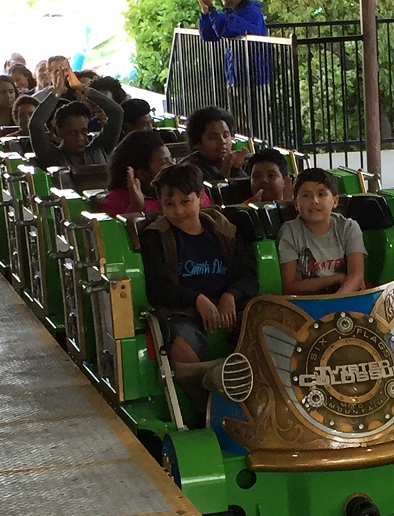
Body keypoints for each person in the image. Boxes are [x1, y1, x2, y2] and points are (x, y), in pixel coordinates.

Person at [140, 162, 258, 394]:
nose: (179, 211)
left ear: (201, 197)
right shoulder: (156, 237)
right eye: (169, 204)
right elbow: (159, 287)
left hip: (230, 309)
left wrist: (231, 295)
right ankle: (208, 403)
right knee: (180, 345)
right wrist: (197, 300)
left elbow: (248, 275)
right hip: (183, 311)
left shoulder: (225, 231)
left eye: (186, 202)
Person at [278, 168, 366, 296]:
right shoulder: (289, 232)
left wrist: (336, 301)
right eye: (306, 195)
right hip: (306, 300)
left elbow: (356, 275)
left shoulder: (348, 227)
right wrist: (333, 279)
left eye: (321, 194)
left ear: (335, 201)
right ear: (296, 204)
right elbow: (290, 286)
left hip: (344, 295)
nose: (315, 201)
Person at [29, 64, 123, 169]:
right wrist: (57, 92)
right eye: (73, 133)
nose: (80, 138)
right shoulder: (52, 156)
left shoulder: (99, 148)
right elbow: (35, 125)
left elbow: (117, 113)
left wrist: (82, 88)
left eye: (84, 132)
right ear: (59, 131)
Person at [197, 0, 268, 87]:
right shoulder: (232, 12)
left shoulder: (251, 12)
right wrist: (205, 11)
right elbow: (208, 35)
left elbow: (225, 29)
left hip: (253, 79)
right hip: (235, 76)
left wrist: (211, 8)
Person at [102, 130, 187, 216]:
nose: (173, 165)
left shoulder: (181, 192)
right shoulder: (115, 201)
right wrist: (136, 208)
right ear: (142, 174)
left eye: (172, 159)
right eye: (164, 163)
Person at [183, 106, 247, 188]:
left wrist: (235, 169)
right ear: (198, 142)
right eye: (213, 137)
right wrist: (224, 173)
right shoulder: (189, 169)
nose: (222, 141)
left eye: (226, 135)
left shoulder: (240, 161)